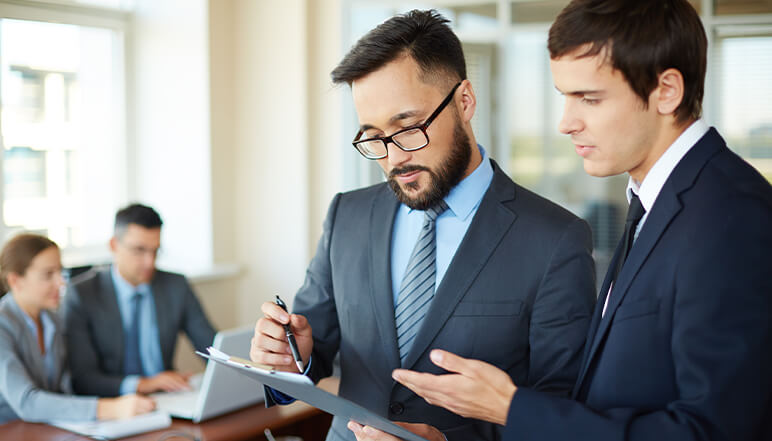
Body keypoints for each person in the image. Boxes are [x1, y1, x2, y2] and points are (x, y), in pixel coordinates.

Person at [347, 1, 772, 440]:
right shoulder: (655, 203)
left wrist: (512, 408)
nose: (566, 123)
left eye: (589, 98)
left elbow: (715, 431)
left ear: (666, 91)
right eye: (564, 96)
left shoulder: (731, 218)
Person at [249, 9, 596, 441]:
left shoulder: (555, 239)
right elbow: (313, 350)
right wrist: (290, 355)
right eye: (373, 137)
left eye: (409, 127)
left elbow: (560, 415)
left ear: (465, 101)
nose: (394, 159)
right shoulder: (347, 216)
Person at [62, 203, 216, 397]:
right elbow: (82, 379)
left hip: (166, 398)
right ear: (113, 245)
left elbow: (211, 348)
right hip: (112, 405)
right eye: (139, 250)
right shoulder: (81, 295)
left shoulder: (176, 285)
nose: (149, 262)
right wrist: (144, 384)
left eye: (155, 251)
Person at [0, 233, 155, 424]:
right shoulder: (3, 325)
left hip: (48, 426)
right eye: (48, 275)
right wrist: (109, 408)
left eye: (60, 272)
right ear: (16, 281)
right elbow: (27, 402)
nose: (61, 282)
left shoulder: (52, 319)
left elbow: (66, 386)